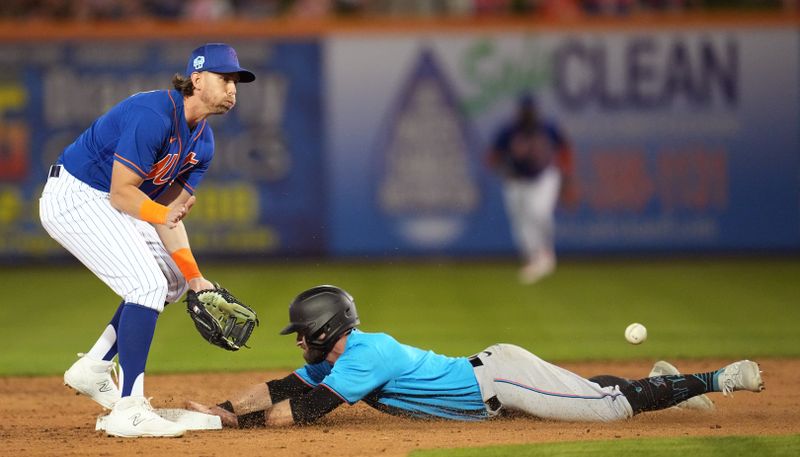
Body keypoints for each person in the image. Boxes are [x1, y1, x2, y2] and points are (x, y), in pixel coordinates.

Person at [38, 43, 256, 438]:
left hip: (112, 203)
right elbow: (124, 193)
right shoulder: (154, 113)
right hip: (76, 195)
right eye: (226, 79)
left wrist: (194, 277)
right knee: (146, 284)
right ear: (197, 79)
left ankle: (95, 366)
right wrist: (160, 213)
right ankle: (129, 408)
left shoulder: (203, 143)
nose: (233, 88)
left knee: (170, 280)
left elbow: (167, 216)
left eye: (236, 81)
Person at [186, 285, 763, 428]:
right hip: (495, 379)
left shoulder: (363, 357)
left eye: (300, 332)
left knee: (606, 410)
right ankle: (655, 381)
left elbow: (305, 411)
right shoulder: (345, 353)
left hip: (500, 383)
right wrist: (220, 408)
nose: (297, 342)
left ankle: (716, 378)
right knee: (583, 392)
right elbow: (284, 386)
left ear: (324, 328)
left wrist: (236, 425)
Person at [486, 94, 577, 284]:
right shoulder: (510, 131)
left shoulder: (546, 128)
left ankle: (545, 253)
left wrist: (567, 178)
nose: (528, 114)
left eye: (530, 111)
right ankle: (533, 259)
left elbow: (564, 148)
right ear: (519, 112)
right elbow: (492, 156)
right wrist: (502, 168)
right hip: (516, 181)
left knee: (539, 212)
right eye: (525, 111)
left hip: (544, 177)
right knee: (521, 224)